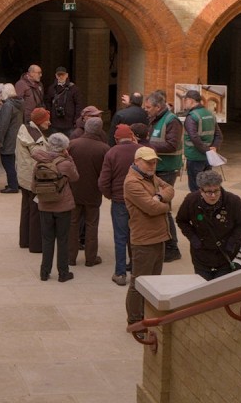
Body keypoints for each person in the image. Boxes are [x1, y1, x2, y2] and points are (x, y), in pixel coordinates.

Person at [124, 147, 175, 333]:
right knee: (139, 283)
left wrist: (159, 196)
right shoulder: (132, 182)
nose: (152, 165)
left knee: (153, 281)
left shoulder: (149, 176)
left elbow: (169, 188)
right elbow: (151, 208)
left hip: (159, 236)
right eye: (148, 162)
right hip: (143, 240)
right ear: (137, 161)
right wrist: (167, 206)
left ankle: (147, 315)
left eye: (154, 162)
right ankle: (135, 321)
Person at [176, 170, 241, 281]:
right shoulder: (191, 200)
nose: (213, 195)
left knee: (221, 286)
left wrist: (232, 242)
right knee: (203, 286)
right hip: (201, 255)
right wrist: (194, 239)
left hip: (226, 254)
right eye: (208, 192)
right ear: (201, 190)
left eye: (216, 190)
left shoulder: (233, 201)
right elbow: (181, 220)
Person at [143, 90, 185, 261]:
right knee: (158, 208)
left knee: (163, 208)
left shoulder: (172, 121)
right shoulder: (155, 119)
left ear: (158, 107)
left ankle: (172, 248)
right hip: (158, 168)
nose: (146, 110)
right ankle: (162, 244)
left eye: (148, 107)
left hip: (167, 169)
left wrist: (147, 147)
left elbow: (172, 145)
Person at [99, 124, 143, 286]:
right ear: (132, 137)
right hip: (138, 201)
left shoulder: (112, 152)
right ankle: (136, 269)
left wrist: (110, 195)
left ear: (116, 139)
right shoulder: (140, 151)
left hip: (119, 201)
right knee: (136, 235)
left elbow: (103, 181)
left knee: (120, 237)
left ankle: (120, 273)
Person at [32, 133, 79, 282]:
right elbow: (75, 177)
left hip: (45, 206)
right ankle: (63, 273)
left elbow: (33, 186)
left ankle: (44, 272)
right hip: (63, 206)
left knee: (47, 239)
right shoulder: (66, 164)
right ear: (64, 147)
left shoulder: (40, 163)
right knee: (63, 240)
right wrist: (69, 158)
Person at [67, 116, 109, 267]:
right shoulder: (104, 148)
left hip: (73, 190)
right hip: (93, 192)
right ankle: (91, 258)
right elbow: (105, 172)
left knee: (72, 223)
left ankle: (70, 257)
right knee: (92, 224)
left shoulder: (72, 144)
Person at [16, 108, 49, 253]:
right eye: (47, 120)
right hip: (34, 178)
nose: (49, 122)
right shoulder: (35, 136)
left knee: (27, 209)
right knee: (36, 210)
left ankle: (25, 240)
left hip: (24, 176)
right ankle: (36, 245)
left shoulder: (26, 129)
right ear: (40, 121)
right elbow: (40, 155)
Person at [181, 89, 223, 193]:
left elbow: (194, 138)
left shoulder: (192, 117)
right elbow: (219, 135)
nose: (184, 103)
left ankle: (198, 203)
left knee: (195, 188)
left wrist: (207, 150)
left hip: (195, 157)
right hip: (208, 158)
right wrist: (213, 148)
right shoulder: (210, 114)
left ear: (191, 100)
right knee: (207, 186)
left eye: (185, 100)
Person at [0, 83, 23, 193]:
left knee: (7, 162)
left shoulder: (8, 105)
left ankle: (12, 186)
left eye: (1, 92)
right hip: (16, 135)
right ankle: (16, 183)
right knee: (14, 162)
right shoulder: (19, 103)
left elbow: (3, 125)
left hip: (8, 138)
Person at [45, 67, 83, 135]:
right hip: (55, 123)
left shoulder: (74, 89)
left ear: (67, 75)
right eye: (59, 75)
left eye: (63, 74)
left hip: (70, 124)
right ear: (56, 76)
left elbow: (79, 105)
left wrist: (76, 121)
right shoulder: (51, 88)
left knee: (70, 141)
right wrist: (50, 118)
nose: (61, 77)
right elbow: (48, 103)